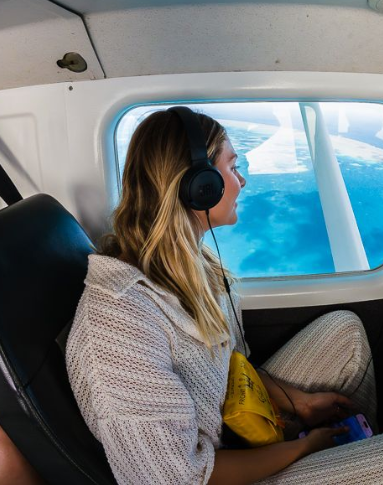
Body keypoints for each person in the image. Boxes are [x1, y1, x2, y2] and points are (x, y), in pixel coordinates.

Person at [65, 108, 383, 484]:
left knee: (343, 332)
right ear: (199, 186)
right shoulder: (119, 328)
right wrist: (304, 448)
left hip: (231, 430)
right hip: (207, 476)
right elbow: (179, 479)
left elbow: (229, 365)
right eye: (232, 167)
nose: (243, 180)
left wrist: (298, 401)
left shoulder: (188, 263)